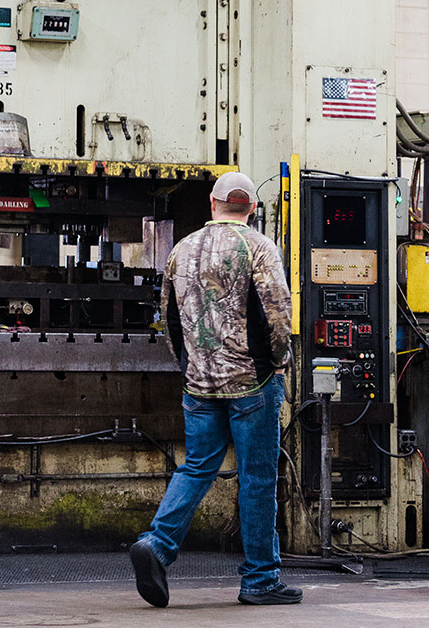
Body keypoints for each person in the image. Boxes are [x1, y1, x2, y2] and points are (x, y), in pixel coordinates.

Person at [129, 171, 301, 607]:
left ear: (212, 203)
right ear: (252, 209)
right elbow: (278, 314)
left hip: (199, 384)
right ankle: (260, 580)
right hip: (252, 383)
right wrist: (278, 362)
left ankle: (157, 545)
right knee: (257, 478)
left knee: (195, 468)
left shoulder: (181, 250)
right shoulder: (259, 247)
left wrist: (188, 366)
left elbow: (167, 318)